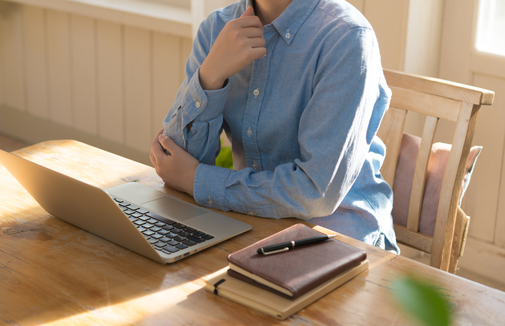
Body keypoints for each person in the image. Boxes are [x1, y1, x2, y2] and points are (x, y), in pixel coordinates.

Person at [149, 0, 398, 252]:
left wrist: (196, 180)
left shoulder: (347, 37)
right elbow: (174, 160)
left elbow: (315, 193)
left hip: (340, 239)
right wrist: (211, 74)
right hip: (250, 224)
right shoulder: (217, 28)